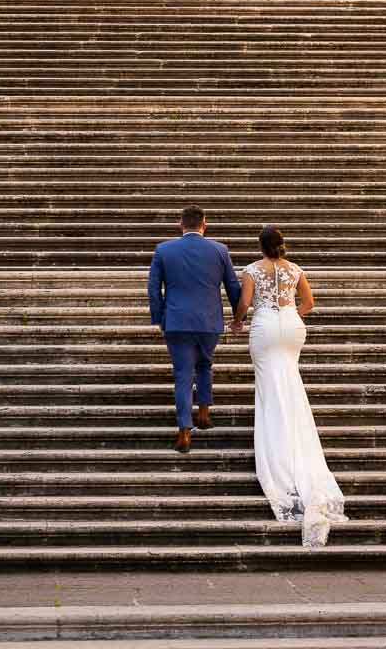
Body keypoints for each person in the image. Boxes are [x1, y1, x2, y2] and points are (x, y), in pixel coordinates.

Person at [232, 224, 347, 548]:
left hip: (266, 326)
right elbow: (308, 302)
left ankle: (277, 450)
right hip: (292, 327)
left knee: (270, 388)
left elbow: (245, 302)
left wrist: (238, 321)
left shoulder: (253, 269)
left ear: (260, 245)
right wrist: (291, 315)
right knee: (291, 383)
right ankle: (298, 444)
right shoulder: (295, 269)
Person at [147, 203, 241, 454]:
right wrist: (238, 316)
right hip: (209, 321)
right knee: (205, 365)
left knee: (182, 374)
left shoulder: (164, 250)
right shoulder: (220, 250)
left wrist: (159, 318)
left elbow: (153, 288)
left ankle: (184, 432)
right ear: (204, 224)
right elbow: (233, 286)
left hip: (177, 321)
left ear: (181, 224)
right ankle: (204, 413)